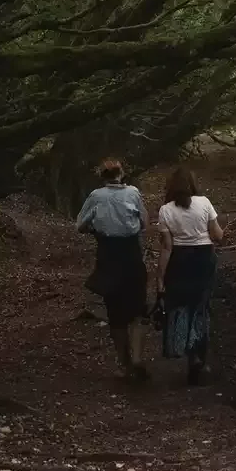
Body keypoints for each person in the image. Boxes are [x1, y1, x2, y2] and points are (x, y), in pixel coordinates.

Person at [76, 158, 151, 382]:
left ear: (102, 176)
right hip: (131, 253)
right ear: (122, 174)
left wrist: (96, 227)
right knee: (138, 308)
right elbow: (145, 221)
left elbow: (80, 225)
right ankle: (137, 359)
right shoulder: (133, 193)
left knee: (115, 313)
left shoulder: (96, 196)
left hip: (108, 254)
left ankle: (123, 363)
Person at [155, 166, 223, 385]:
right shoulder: (204, 203)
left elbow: (166, 247)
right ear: (193, 184)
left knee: (182, 306)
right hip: (203, 259)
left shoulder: (165, 210)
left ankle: (187, 352)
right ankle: (200, 358)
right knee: (201, 307)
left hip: (179, 261)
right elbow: (217, 235)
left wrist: (160, 276)